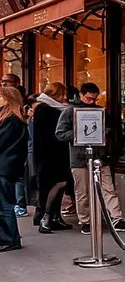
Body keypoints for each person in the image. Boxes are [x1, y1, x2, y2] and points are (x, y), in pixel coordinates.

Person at [56, 83, 125, 233]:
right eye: (89, 98)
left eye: (94, 99)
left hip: (100, 156)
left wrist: (105, 132)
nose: (91, 102)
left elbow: (112, 129)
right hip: (79, 157)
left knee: (108, 188)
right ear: (81, 95)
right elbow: (60, 133)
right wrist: (78, 134)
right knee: (83, 191)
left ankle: (117, 218)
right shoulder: (69, 111)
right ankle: (86, 221)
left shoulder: (100, 110)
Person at [31, 81, 71, 233]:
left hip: (53, 153)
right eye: (62, 94)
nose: (64, 98)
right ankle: (46, 217)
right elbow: (52, 133)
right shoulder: (45, 109)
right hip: (50, 154)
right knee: (53, 184)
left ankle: (54, 216)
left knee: (58, 183)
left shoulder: (47, 108)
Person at [0, 82, 26, 251]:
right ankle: (9, 237)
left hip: (4, 167)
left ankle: (9, 239)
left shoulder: (12, 121)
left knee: (4, 205)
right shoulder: (13, 119)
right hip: (7, 166)